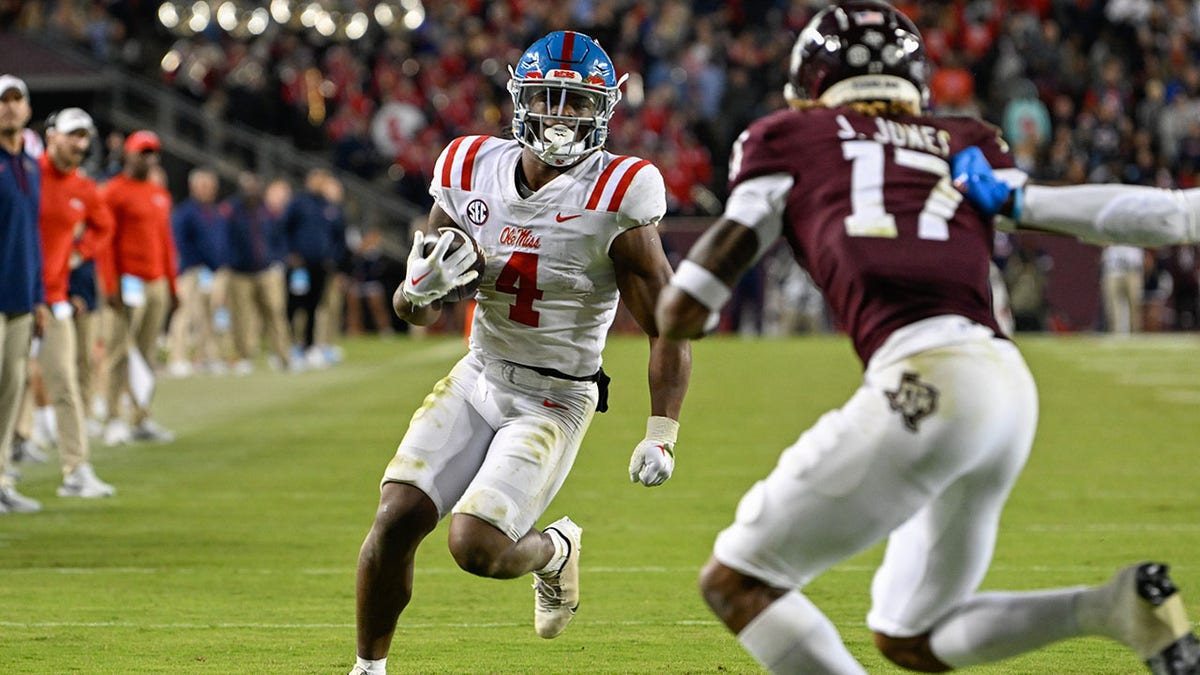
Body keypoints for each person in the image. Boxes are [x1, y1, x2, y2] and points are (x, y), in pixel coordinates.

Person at [655, 3, 1200, 673]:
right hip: (1005, 386)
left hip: (924, 378)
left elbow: (689, 299)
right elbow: (1142, 214)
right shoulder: (966, 142)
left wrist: (688, 311)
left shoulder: (789, 137)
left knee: (736, 581)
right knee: (910, 632)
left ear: (810, 82)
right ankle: (1109, 607)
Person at [347, 31, 690, 675]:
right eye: (549, 98)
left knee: (475, 546)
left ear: (604, 112)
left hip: (553, 395)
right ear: (520, 100)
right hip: (479, 371)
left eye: (576, 104)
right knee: (394, 519)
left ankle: (555, 551)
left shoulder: (618, 191)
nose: (560, 118)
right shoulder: (468, 165)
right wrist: (416, 293)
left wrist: (662, 431)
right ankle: (368, 669)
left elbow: (668, 323)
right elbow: (414, 307)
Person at [36, 107, 116, 497]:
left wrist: (81, 253)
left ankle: (76, 470)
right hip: (10, 295)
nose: (78, 144)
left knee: (65, 384)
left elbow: (104, 226)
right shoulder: (26, 174)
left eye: (84, 137)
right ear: (52, 136)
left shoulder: (83, 188)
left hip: (53, 298)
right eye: (72, 135)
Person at [97, 130, 178, 446]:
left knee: (146, 353)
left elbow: (165, 243)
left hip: (154, 280)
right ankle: (114, 418)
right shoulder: (113, 192)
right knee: (118, 351)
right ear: (129, 154)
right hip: (126, 280)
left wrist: (173, 286)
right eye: (143, 152)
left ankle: (141, 416)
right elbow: (105, 243)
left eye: (152, 153)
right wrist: (109, 282)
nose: (148, 158)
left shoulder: (159, 194)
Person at [0, 74, 45, 514]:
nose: (10, 108)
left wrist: (39, 297)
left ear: (28, 111)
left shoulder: (30, 167)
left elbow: (32, 237)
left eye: (17, 100)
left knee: (11, 389)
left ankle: (0, 479)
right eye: (3, 101)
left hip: (19, 298)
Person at [223, 172, 293, 373]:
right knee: (242, 316)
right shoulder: (232, 210)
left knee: (275, 312)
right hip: (240, 272)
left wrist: (278, 259)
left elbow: (279, 236)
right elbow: (225, 238)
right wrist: (230, 261)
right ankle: (245, 356)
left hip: (267, 270)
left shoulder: (267, 210)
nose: (251, 192)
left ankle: (282, 356)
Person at [166, 167, 230, 376]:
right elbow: (181, 243)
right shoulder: (185, 212)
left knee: (209, 315)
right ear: (193, 187)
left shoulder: (215, 212)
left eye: (210, 186)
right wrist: (198, 262)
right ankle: (177, 357)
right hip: (191, 271)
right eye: (203, 185)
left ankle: (207, 356)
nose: (207, 190)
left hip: (212, 272)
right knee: (184, 315)